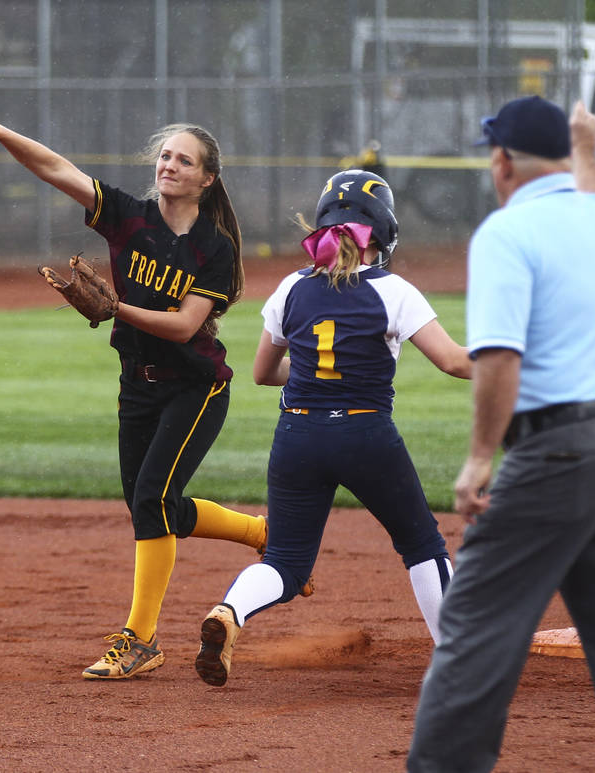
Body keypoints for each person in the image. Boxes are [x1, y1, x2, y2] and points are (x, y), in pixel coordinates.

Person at [406, 97, 595, 771]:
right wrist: (588, 147)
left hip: (559, 455)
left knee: (473, 630)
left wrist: (481, 457)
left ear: (503, 162)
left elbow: (499, 358)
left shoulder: (506, 233)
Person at [0, 114, 271, 680]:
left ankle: (139, 640)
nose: (169, 165)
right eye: (165, 156)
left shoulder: (215, 249)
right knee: (152, 507)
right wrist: (2, 132)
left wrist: (117, 309)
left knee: (150, 501)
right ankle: (261, 533)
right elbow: (57, 170)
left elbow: (187, 326)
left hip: (194, 390)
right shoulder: (128, 215)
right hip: (136, 385)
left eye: (184, 160)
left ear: (207, 179)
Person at [194, 169, 471, 687]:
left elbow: (262, 373)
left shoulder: (291, 288)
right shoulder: (393, 290)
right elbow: (454, 362)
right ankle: (460, 659)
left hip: (297, 435)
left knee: (286, 562)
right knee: (422, 546)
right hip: (365, 434)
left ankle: (230, 611)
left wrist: (316, 373)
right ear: (381, 231)